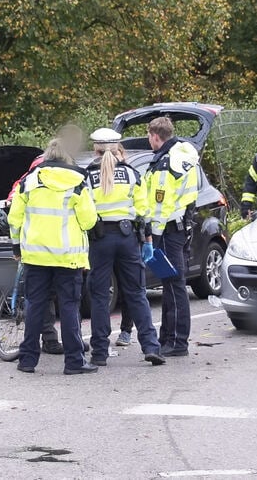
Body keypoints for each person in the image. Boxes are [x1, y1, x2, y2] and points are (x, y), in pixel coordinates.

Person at [8, 138, 98, 375]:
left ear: (46, 157)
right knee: (69, 308)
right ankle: (74, 362)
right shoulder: (78, 182)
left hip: (36, 256)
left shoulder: (28, 182)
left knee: (35, 306)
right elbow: (89, 220)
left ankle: (27, 360)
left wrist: (17, 248)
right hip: (68, 258)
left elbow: (14, 219)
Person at [85, 128, 165, 366]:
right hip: (128, 237)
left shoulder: (87, 176)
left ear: (95, 149)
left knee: (100, 296)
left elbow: (84, 212)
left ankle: (99, 352)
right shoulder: (132, 174)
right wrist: (147, 241)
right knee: (137, 293)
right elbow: (144, 211)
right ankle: (151, 347)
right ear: (117, 148)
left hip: (99, 239)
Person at [143, 117, 199, 357]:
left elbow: (160, 203)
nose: (149, 141)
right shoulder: (182, 155)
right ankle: (169, 336)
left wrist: (151, 235)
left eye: (149, 136)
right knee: (170, 284)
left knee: (174, 284)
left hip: (166, 229)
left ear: (155, 136)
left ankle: (176, 341)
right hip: (178, 226)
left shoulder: (166, 163)